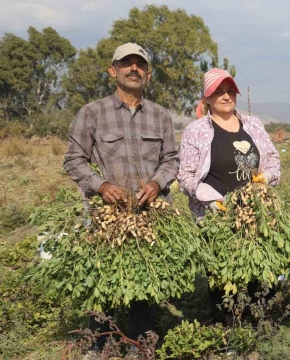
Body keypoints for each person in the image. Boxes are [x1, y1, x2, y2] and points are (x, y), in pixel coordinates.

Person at [63, 43, 179, 352]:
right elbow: (73, 160)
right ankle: (97, 344)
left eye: (140, 64)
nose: (133, 69)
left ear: (148, 74)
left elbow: (172, 160)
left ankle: (140, 344)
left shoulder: (160, 115)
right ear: (112, 70)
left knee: (143, 280)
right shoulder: (91, 113)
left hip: (148, 216)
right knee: (102, 280)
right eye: (126, 63)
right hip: (106, 217)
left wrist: (156, 183)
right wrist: (101, 186)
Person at [176, 68, 280, 322]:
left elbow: (273, 159)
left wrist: (266, 177)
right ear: (207, 99)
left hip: (256, 212)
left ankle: (259, 326)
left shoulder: (253, 124)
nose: (225, 97)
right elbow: (186, 174)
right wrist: (209, 199)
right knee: (224, 276)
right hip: (218, 218)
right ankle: (229, 331)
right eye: (217, 92)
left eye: (229, 91)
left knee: (260, 271)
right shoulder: (197, 131)